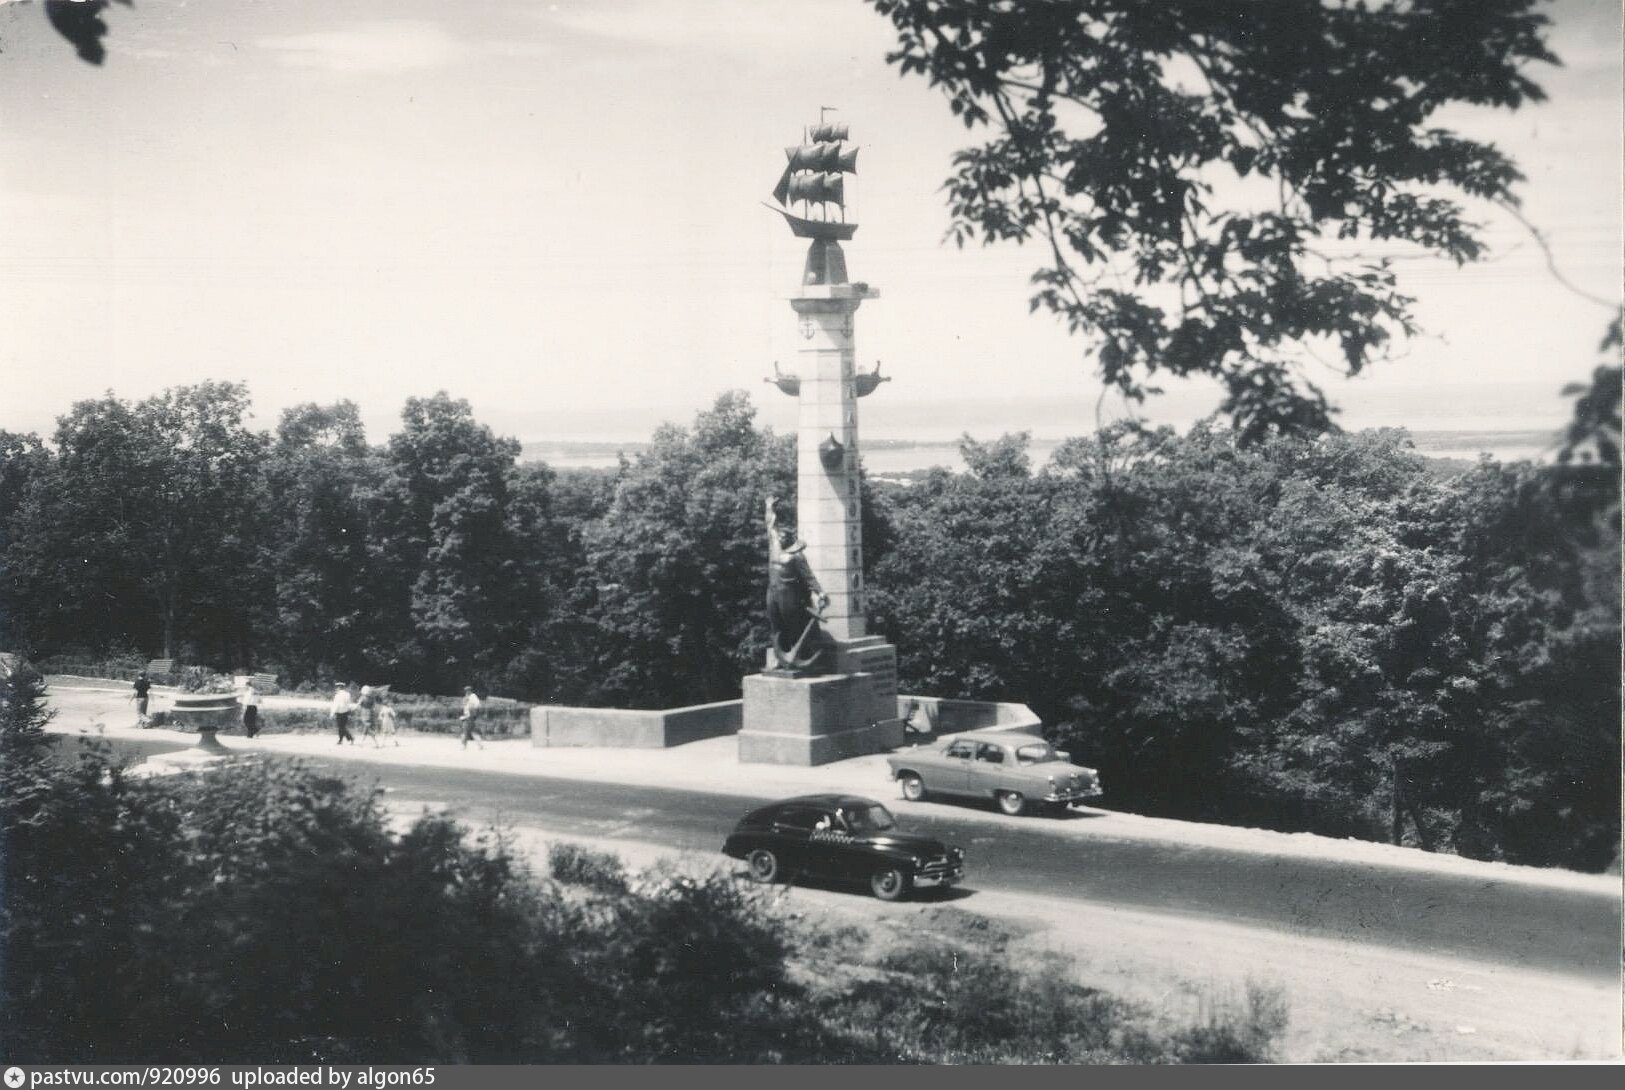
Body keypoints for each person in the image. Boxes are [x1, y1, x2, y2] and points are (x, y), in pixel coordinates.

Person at [764, 496, 830, 670]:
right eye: (780, 536)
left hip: (789, 594)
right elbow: (770, 525)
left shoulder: (797, 556)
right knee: (775, 624)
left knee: (792, 625)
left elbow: (809, 577)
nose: (781, 538)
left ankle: (798, 656)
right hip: (773, 592)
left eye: (784, 536)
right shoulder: (775, 546)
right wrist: (769, 507)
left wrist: (820, 592)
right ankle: (779, 658)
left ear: (791, 538)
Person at [459, 686, 485, 750]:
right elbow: (465, 706)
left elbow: (477, 705)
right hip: (467, 716)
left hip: (469, 716)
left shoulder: (473, 696)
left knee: (465, 732)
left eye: (467, 690)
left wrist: (473, 713)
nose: (466, 692)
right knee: (473, 731)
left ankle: (464, 746)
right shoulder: (467, 697)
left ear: (470, 691)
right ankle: (480, 745)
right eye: (465, 691)